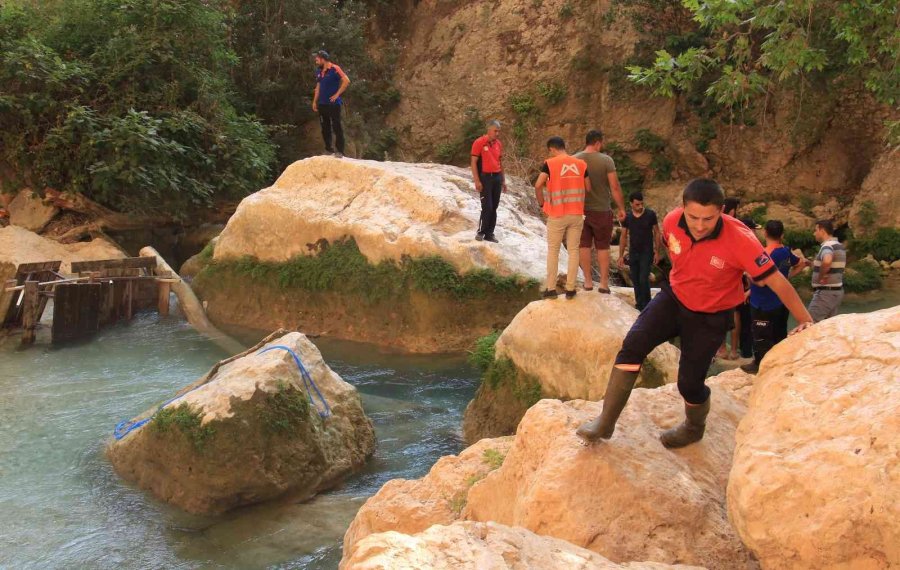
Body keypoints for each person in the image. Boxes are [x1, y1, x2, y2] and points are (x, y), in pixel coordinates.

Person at [576, 179, 814, 448]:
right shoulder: (671, 221)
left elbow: (776, 281)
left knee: (689, 384)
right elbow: (673, 249)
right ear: (682, 208)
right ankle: (605, 423)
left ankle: (694, 427)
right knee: (632, 346)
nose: (700, 225)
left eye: (708, 219)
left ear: (722, 211)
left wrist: (805, 319)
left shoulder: (742, 240)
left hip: (712, 315)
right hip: (674, 298)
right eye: (693, 217)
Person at [741, 220, 808, 373]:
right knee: (779, 333)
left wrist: (747, 274)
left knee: (761, 336)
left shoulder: (764, 255)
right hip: (781, 301)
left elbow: (762, 282)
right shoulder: (786, 251)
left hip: (763, 303)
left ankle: (760, 364)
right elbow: (801, 263)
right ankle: (780, 363)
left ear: (765, 233)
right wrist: (786, 278)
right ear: (782, 234)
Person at [534, 136, 589, 300]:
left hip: (557, 213)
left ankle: (551, 289)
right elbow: (589, 187)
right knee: (573, 250)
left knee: (553, 251)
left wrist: (542, 204)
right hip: (577, 213)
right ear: (564, 146)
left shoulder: (550, 164)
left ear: (552, 149)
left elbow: (538, 185)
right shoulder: (581, 164)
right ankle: (571, 289)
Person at [574, 130, 626, 293]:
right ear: (597, 143)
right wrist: (622, 208)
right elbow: (615, 186)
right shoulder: (606, 161)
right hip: (602, 210)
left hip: (579, 209)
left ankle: (588, 282)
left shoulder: (574, 159)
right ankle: (604, 284)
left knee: (584, 245)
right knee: (603, 246)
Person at [617, 192, 661, 310]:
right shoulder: (628, 218)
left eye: (641, 204)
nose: (640, 206)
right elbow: (623, 236)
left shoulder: (650, 215)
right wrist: (621, 255)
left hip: (647, 252)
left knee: (643, 278)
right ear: (631, 204)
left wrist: (657, 252)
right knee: (635, 279)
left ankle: (647, 305)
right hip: (633, 252)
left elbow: (657, 232)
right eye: (637, 204)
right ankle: (639, 304)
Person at [470, 120, 506, 243]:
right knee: (487, 206)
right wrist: (477, 180)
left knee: (494, 206)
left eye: (498, 131)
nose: (497, 133)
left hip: (496, 177)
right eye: (495, 131)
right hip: (485, 177)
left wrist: (503, 180)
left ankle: (490, 233)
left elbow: (500, 162)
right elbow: (474, 162)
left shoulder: (498, 144)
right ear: (489, 130)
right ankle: (481, 231)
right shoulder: (479, 142)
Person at [312, 50, 350, 158]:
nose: (316, 61)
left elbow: (346, 80)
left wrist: (337, 94)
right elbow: (318, 87)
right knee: (325, 127)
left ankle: (340, 151)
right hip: (322, 104)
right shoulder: (319, 71)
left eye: (317, 59)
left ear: (323, 59)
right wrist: (314, 101)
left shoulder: (335, 68)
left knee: (337, 126)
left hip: (333, 104)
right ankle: (329, 149)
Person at [808, 219, 845, 322]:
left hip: (825, 293)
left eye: (816, 230)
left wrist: (821, 276)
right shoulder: (838, 245)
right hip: (836, 292)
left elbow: (827, 261)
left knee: (809, 323)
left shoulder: (827, 246)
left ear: (822, 230)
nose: (814, 233)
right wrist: (812, 264)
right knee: (828, 325)